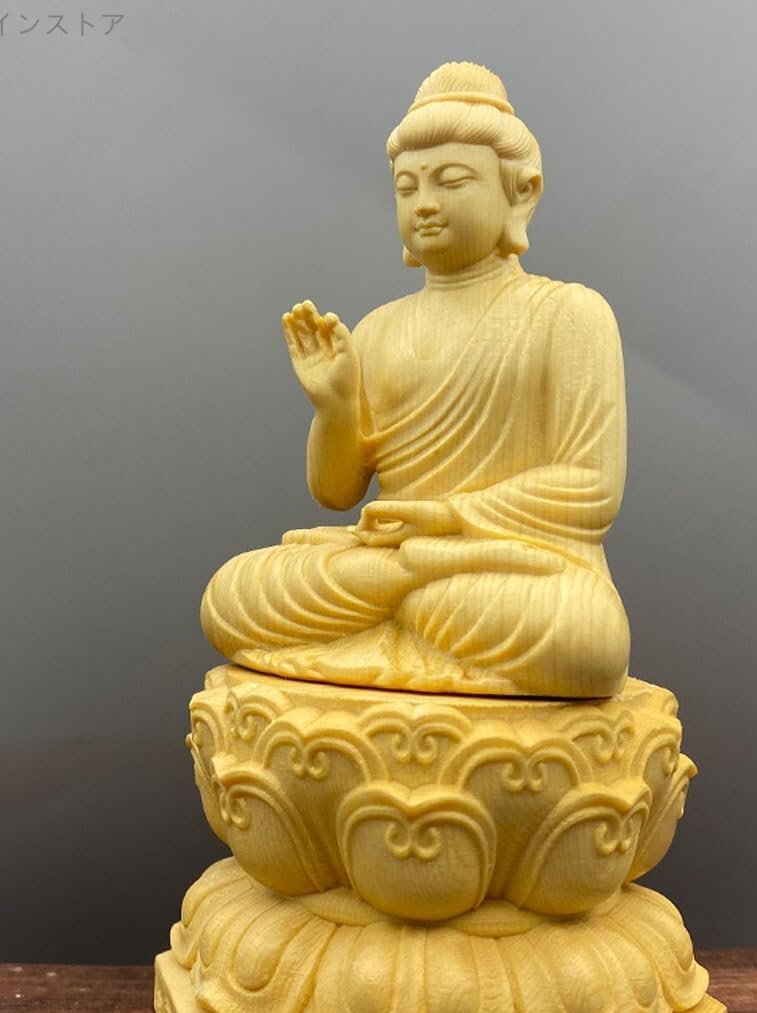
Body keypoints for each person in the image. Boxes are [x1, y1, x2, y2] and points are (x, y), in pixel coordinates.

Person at [201, 62, 629, 698]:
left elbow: (591, 488)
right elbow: (336, 493)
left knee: (586, 638)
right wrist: (335, 407)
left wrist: (447, 519)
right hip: (395, 564)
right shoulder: (377, 329)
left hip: (501, 569)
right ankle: (408, 612)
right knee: (233, 593)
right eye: (407, 188)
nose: (424, 203)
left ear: (520, 195)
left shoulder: (569, 314)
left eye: (452, 182)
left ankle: (398, 615)